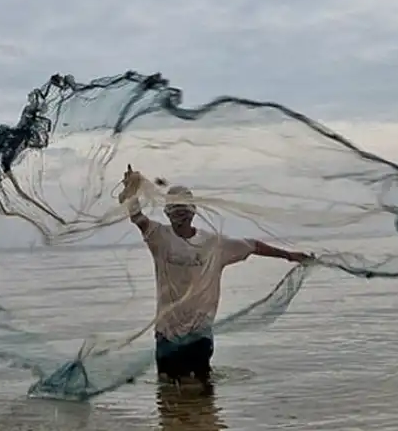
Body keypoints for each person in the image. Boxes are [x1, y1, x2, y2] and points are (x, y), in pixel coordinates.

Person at [118, 165, 311, 387]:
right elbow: (137, 218)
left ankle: (204, 421)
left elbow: (253, 246)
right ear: (167, 213)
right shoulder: (159, 237)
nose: (179, 215)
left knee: (202, 388)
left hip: (200, 332)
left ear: (193, 212)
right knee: (167, 390)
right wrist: (131, 192)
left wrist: (289, 256)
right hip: (167, 333)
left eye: (184, 209)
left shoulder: (214, 245)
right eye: (174, 210)